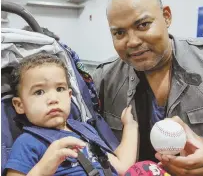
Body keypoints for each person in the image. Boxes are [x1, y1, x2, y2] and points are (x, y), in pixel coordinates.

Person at [93, 0, 203, 176]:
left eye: (143, 25)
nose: (133, 41)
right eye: (119, 33)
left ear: (166, 17)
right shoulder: (103, 80)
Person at [5, 53, 139, 176]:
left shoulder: (86, 131)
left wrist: (130, 126)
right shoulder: (27, 143)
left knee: (147, 168)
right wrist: (42, 170)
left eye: (60, 89)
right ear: (19, 105)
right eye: (39, 92)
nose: (53, 99)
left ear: (69, 96)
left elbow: (122, 166)